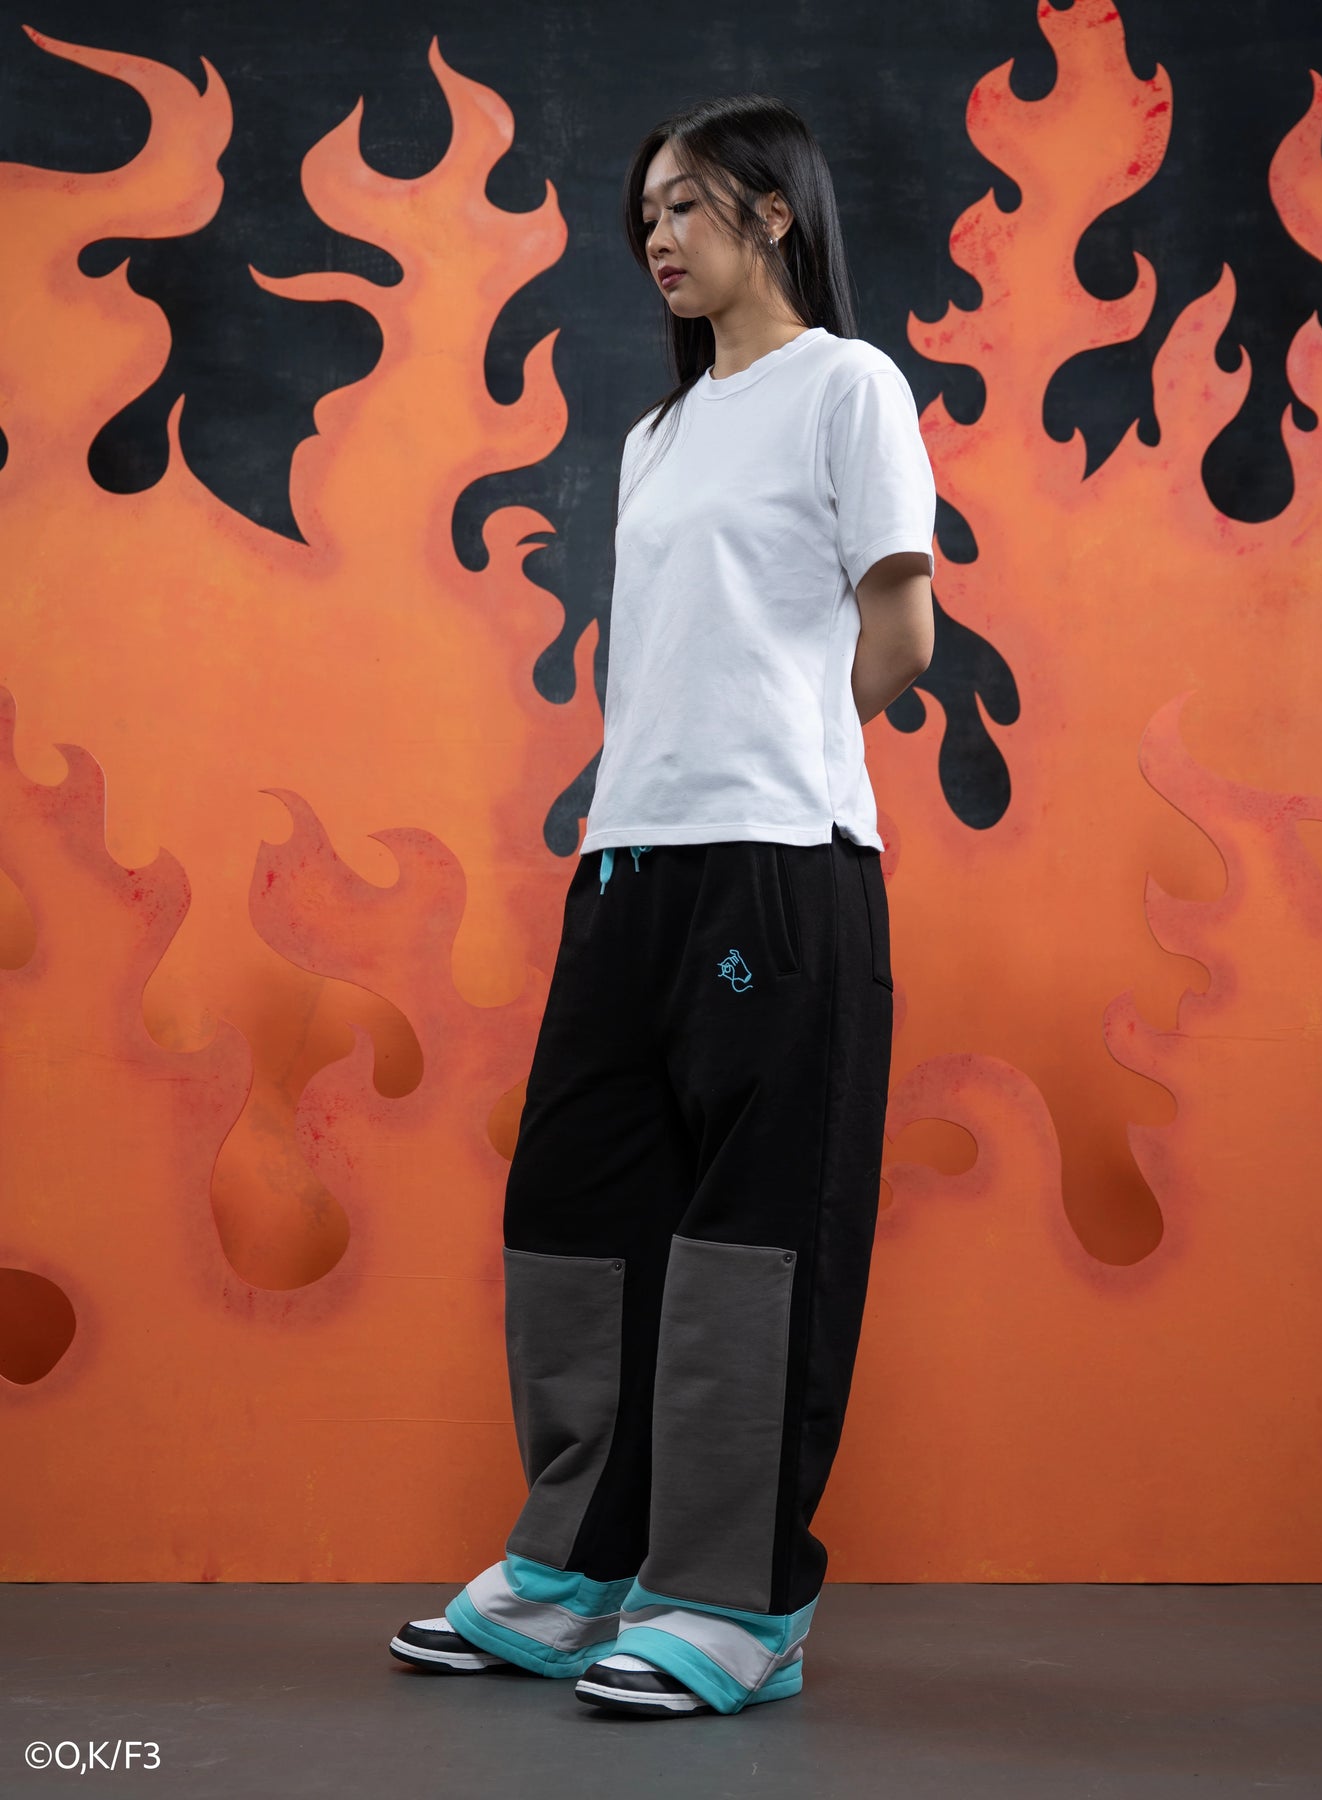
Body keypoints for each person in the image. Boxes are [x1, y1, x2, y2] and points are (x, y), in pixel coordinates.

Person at [389, 92, 936, 1719]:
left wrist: (782, 755)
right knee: (581, 1209)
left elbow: (902, 634)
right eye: (645, 215)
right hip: (627, 857)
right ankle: (576, 1567)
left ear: (773, 212)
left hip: (782, 859)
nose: (656, 237)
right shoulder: (657, 436)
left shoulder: (848, 387)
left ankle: (733, 1603)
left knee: (756, 1240)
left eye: (685, 206)